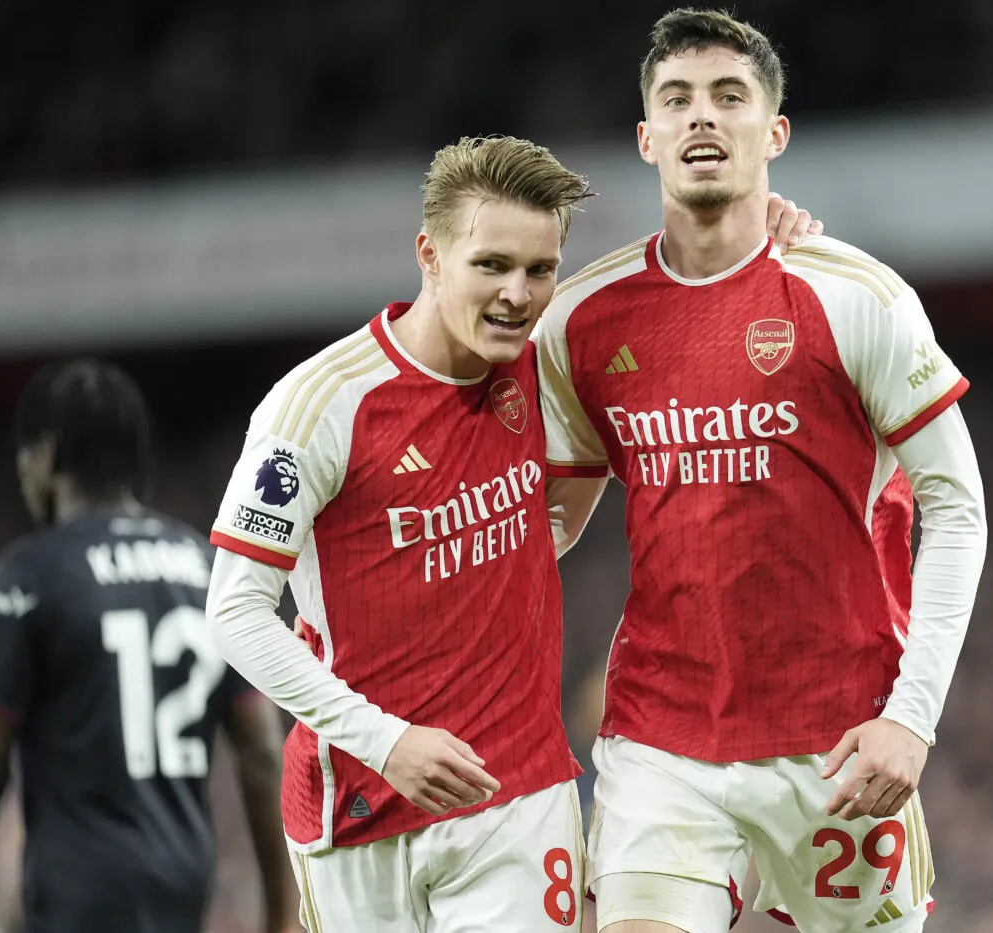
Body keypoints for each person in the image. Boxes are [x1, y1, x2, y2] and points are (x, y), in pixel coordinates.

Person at [205, 134, 820, 932]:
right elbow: (235, 610)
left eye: (539, 270)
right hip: (355, 806)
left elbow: (677, 308)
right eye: (491, 265)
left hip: (518, 800)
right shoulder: (319, 406)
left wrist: (765, 236)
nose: (517, 295)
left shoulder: (553, 360)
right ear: (429, 253)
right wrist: (387, 740)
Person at [536, 10, 989, 932]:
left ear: (773, 132)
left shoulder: (856, 296)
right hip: (661, 741)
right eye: (678, 100)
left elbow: (958, 506)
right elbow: (552, 516)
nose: (702, 117)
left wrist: (913, 716)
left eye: (729, 97)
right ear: (647, 137)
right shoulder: (581, 322)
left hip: (840, 742)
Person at [0, 360, 298, 933]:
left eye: (24, 455)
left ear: (47, 453)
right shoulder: (205, 569)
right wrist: (281, 917)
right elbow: (262, 752)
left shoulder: (31, 572)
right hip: (182, 884)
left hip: (78, 893)